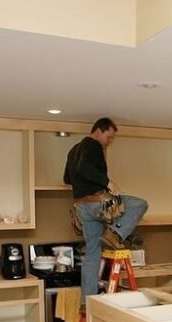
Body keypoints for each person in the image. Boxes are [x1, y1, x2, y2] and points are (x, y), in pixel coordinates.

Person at [64, 117, 148, 303]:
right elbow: (84, 167)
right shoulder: (93, 145)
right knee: (139, 204)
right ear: (99, 131)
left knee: (92, 253)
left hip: (82, 208)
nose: (109, 142)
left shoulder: (73, 150)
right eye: (109, 137)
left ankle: (87, 301)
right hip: (98, 204)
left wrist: (83, 182)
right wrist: (108, 182)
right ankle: (115, 234)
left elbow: (67, 179)